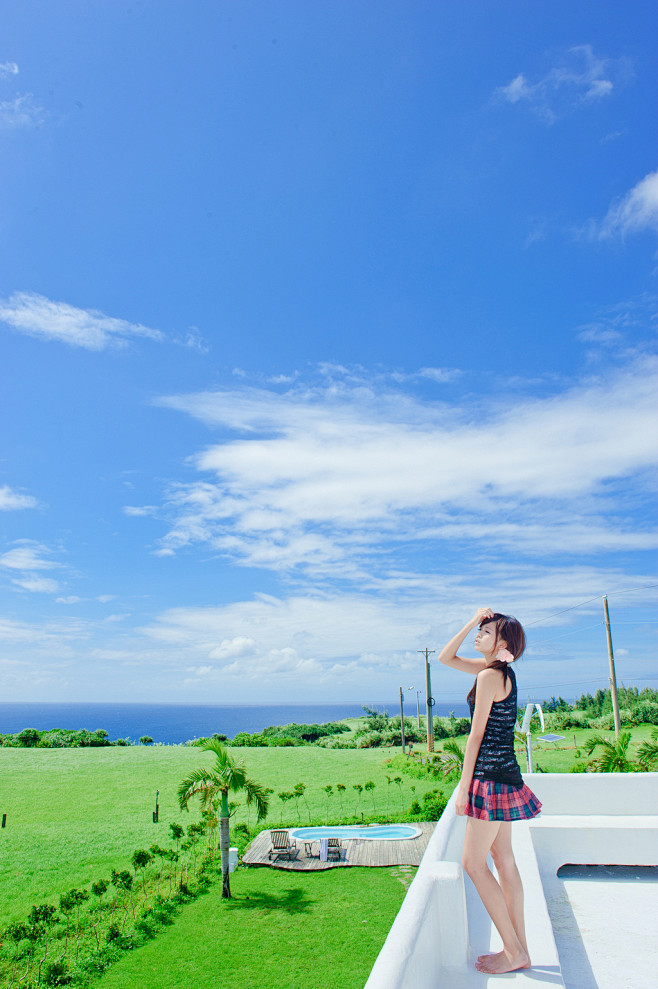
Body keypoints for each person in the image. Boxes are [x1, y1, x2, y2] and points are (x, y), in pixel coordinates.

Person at [438, 606, 542, 975]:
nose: (478, 635)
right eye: (478, 630)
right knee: (504, 860)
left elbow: (476, 735)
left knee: (472, 863)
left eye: (485, 631)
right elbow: (445, 657)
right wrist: (471, 620)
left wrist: (465, 787)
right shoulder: (500, 673)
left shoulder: (487, 677)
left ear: (502, 643)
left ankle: (514, 951)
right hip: (506, 775)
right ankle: (521, 949)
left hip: (488, 779)